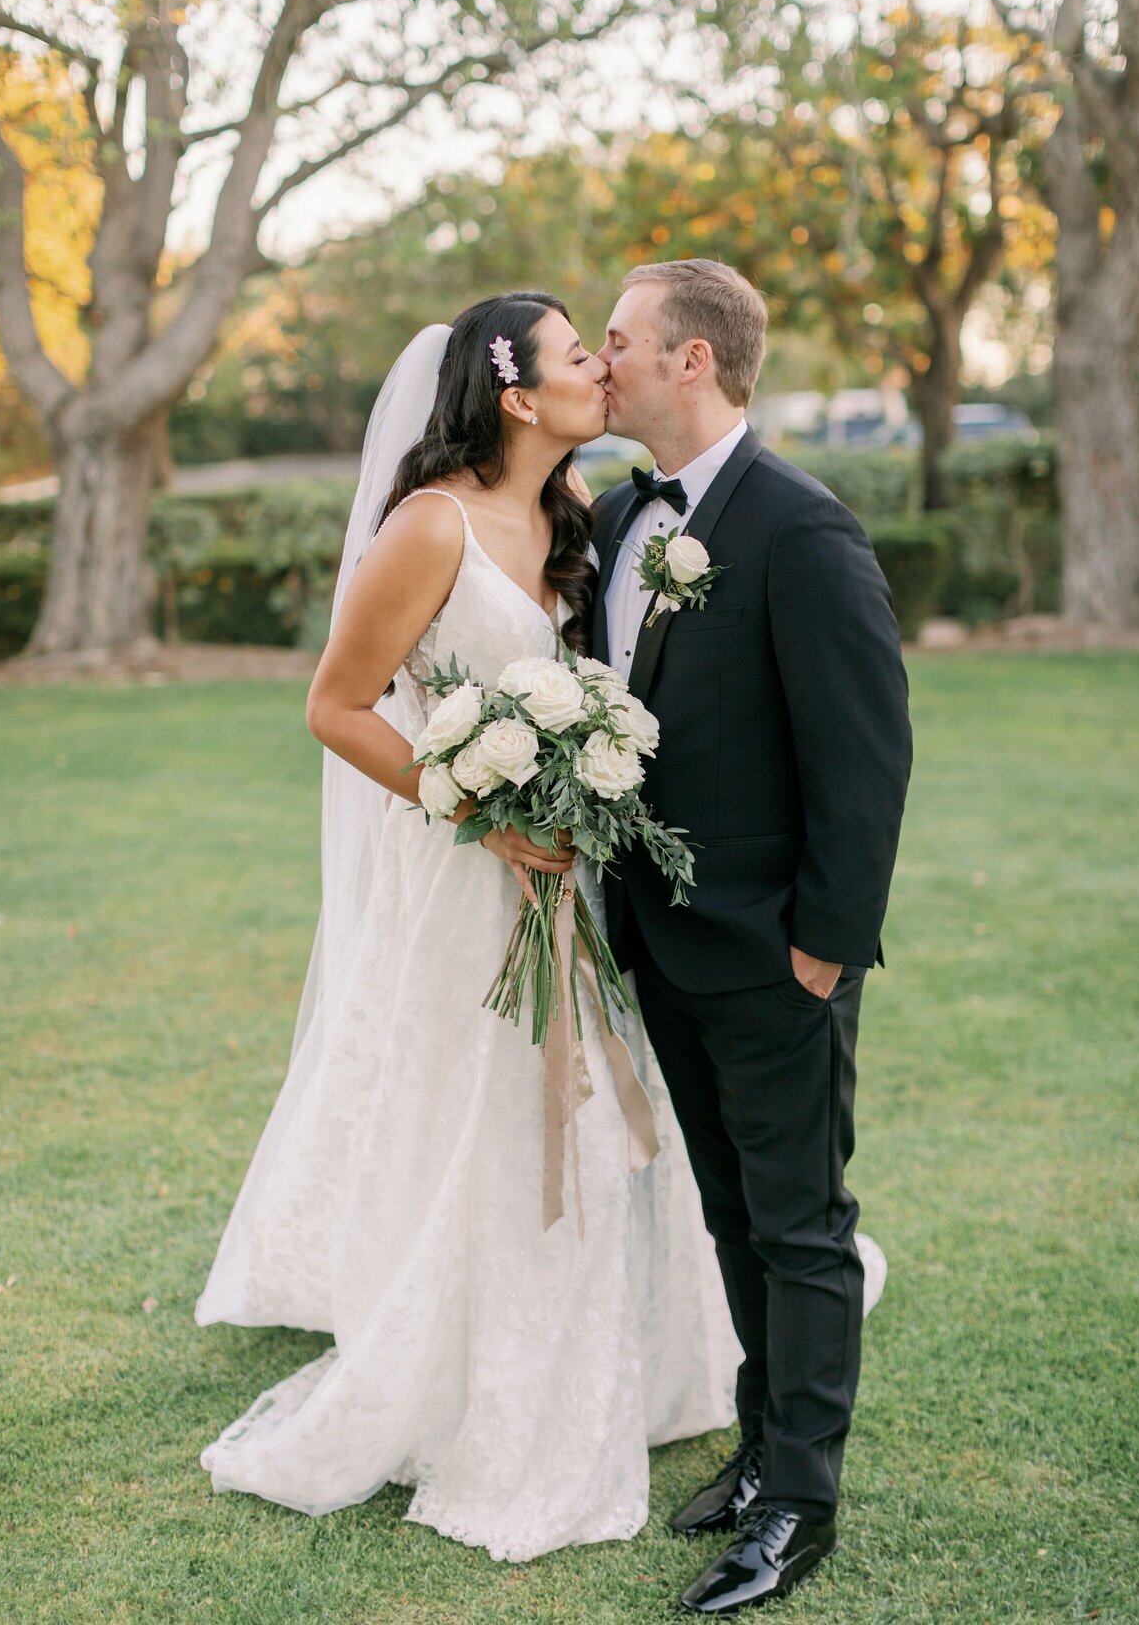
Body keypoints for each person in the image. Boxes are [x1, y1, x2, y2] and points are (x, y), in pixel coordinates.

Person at [194, 292, 752, 1561]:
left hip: (572, 877)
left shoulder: (574, 519)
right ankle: (476, 1390)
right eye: (576, 357)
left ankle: (624, 1360)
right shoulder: (428, 525)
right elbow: (337, 707)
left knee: (594, 1118)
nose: (601, 372)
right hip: (469, 877)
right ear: (515, 394)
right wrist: (477, 805)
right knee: (486, 1119)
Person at [591, 259, 913, 1613]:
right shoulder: (617, 522)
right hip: (658, 947)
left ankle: (800, 1508)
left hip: (777, 953)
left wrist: (823, 951)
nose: (597, 360)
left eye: (616, 340)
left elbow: (865, 758)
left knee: (799, 1225)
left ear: (691, 363)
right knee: (729, 1216)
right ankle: (759, 1439)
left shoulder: (802, 529)